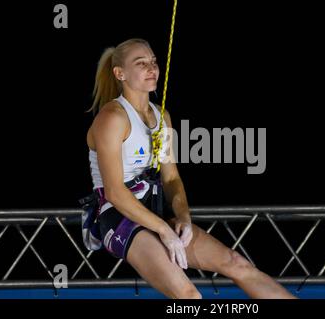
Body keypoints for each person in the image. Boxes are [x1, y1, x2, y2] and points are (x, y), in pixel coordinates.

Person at [85, 38, 296, 299]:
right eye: (141, 64)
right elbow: (115, 192)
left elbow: (171, 178)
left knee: (236, 263)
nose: (152, 68)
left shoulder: (162, 116)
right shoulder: (112, 117)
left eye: (153, 62)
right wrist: (164, 231)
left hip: (154, 212)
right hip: (118, 218)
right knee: (189, 296)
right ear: (120, 73)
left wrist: (183, 217)